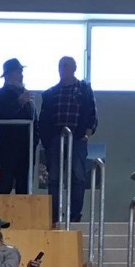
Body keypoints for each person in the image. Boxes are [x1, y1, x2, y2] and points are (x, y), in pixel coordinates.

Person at [38, 56, 98, 225]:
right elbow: (44, 119)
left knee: (78, 176)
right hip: (56, 138)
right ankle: (55, 214)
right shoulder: (50, 93)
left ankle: (74, 215)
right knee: (54, 178)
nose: (64, 69)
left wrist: (87, 132)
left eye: (67, 66)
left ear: (74, 68)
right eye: (61, 66)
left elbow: (91, 112)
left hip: (78, 138)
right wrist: (47, 141)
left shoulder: (84, 89)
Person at [0, 59, 35, 195]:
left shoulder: (26, 95)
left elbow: (33, 119)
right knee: (5, 183)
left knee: (24, 185)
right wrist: (19, 102)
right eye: (18, 71)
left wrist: (35, 140)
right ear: (8, 74)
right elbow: (1, 115)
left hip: (27, 146)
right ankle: (1, 214)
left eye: (21, 71)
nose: (21, 74)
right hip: (8, 146)